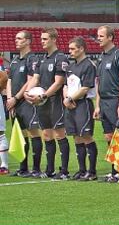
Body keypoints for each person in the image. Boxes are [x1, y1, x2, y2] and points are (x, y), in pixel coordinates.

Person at [93, 26, 119, 182]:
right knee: (109, 136)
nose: (99, 38)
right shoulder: (101, 57)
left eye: (101, 35)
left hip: (116, 100)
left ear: (110, 37)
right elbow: (98, 83)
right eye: (98, 35)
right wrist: (97, 105)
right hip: (104, 102)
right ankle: (114, 170)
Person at [32, 28, 71, 180]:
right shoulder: (42, 59)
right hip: (43, 103)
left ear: (54, 39)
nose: (42, 41)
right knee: (47, 135)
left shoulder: (60, 58)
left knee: (59, 133)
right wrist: (29, 94)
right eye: (41, 39)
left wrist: (43, 95)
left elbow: (59, 82)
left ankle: (65, 171)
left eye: (45, 39)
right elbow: (35, 79)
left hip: (55, 101)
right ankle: (50, 169)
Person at [5, 31, 43, 177]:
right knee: (20, 135)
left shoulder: (32, 59)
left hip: (27, 102)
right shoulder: (14, 60)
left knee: (33, 132)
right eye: (15, 38)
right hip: (15, 103)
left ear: (28, 41)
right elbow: (9, 80)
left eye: (20, 38)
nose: (16, 41)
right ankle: (23, 168)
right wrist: (10, 100)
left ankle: (36, 169)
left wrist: (16, 98)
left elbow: (30, 80)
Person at [62, 37, 98, 180]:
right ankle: (82, 170)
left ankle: (92, 171)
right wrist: (66, 99)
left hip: (83, 104)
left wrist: (71, 99)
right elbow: (65, 85)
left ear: (81, 48)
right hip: (70, 105)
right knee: (76, 136)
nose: (69, 51)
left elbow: (85, 88)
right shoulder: (71, 67)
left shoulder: (89, 65)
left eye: (72, 49)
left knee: (86, 135)